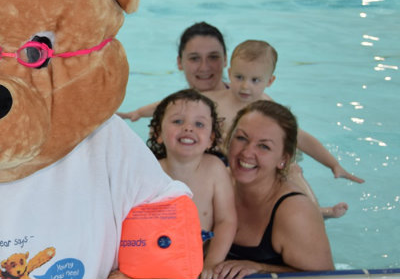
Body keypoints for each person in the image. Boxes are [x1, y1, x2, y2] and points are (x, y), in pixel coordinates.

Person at [203, 40, 364, 218]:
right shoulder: (214, 104)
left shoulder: (266, 106)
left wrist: (333, 164)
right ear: (229, 73)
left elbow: (299, 137)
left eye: (255, 80)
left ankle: (314, 212)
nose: (245, 86)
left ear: (270, 81)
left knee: (292, 168)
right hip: (226, 166)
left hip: (253, 165)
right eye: (239, 77)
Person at [213, 100, 334, 278]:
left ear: (283, 159)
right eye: (241, 138)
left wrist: (261, 269)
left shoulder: (294, 212)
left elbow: (326, 277)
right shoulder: (215, 182)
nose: (246, 152)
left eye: (264, 146)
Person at [146, 89, 236, 279]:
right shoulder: (150, 172)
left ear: (211, 139)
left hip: (200, 260)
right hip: (155, 260)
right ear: (158, 133)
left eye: (199, 124)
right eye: (178, 121)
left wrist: (212, 263)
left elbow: (226, 221)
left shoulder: (215, 169)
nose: (188, 128)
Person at [118, 21, 228, 122]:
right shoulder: (181, 104)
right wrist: (138, 113)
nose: (204, 67)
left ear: (225, 59)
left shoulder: (241, 97)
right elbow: (165, 105)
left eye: (213, 57)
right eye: (194, 58)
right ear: (179, 62)